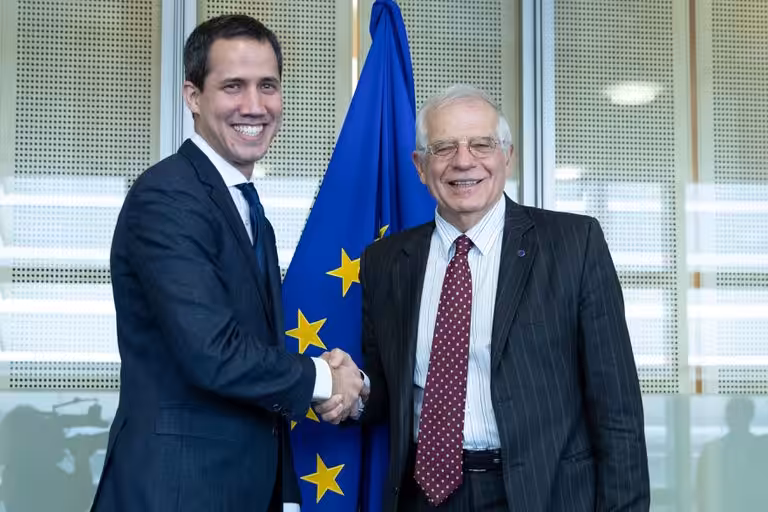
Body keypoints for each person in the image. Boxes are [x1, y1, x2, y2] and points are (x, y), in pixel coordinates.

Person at [323, 84, 650, 511]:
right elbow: (392, 390)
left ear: (506, 156)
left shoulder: (574, 244)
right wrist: (358, 391)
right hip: (423, 497)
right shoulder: (386, 262)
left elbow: (617, 410)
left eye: (481, 144)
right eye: (444, 148)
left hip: (541, 495)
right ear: (420, 166)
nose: (464, 161)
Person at [90, 14, 362, 512]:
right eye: (233, 86)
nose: (254, 106)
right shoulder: (168, 197)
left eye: (267, 86)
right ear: (193, 97)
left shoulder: (246, 207)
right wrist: (324, 379)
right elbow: (212, 351)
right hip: (177, 492)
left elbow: (256, 353)